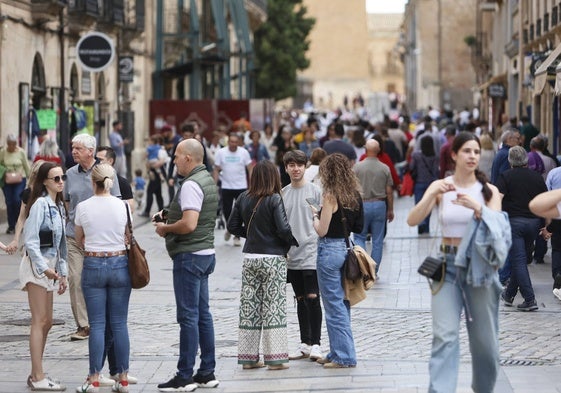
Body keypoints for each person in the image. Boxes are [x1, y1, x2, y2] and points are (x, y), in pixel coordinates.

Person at [407, 131, 510, 393]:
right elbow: (412, 219)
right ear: (453, 155)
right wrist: (431, 194)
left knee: (485, 344)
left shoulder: (489, 191)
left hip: (480, 267)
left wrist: (479, 208)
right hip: (446, 266)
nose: (473, 156)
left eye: (476, 151)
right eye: (467, 151)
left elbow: (499, 230)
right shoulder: (441, 185)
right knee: (445, 336)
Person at [154, 139, 220, 391]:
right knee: (203, 314)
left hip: (190, 255)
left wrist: (165, 228)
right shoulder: (206, 179)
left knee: (189, 317)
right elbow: (197, 216)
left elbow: (190, 223)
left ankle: (184, 375)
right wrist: (169, 215)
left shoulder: (191, 184)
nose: (174, 161)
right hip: (205, 253)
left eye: (177, 156)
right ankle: (207, 371)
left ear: (189, 159)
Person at [227, 160, 298, 371]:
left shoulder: (242, 197)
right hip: (273, 258)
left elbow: (232, 225)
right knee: (273, 307)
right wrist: (289, 242)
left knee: (250, 308)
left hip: (250, 259)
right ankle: (275, 359)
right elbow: (283, 229)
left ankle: (248, 359)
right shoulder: (275, 198)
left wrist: (249, 236)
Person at [74, 163, 131, 393]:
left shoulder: (83, 207)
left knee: (97, 324)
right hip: (119, 263)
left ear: (92, 181)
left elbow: (79, 239)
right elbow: (128, 235)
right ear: (112, 181)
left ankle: (94, 378)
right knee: (119, 324)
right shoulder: (123, 206)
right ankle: (123, 379)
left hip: (94, 262)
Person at [64, 134, 121, 341]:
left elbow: (117, 203)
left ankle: (100, 321)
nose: (74, 151)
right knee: (76, 279)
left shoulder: (105, 172)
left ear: (90, 151)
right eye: (73, 148)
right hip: (73, 237)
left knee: (97, 280)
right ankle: (84, 325)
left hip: (99, 238)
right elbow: (67, 203)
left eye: (78, 148)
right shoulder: (69, 174)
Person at [19, 161, 68, 391]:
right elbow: (30, 241)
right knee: (39, 320)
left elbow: (62, 245)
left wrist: (63, 273)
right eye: (56, 178)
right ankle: (37, 376)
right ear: (45, 181)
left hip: (51, 267)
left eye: (62, 178)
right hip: (37, 267)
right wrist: (44, 268)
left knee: (47, 321)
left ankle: (36, 373)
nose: (60, 182)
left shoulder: (57, 206)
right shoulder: (39, 204)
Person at [312, 153, 363, 368]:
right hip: (346, 247)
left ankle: (344, 356)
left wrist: (314, 215)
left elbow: (322, 230)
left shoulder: (330, 195)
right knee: (342, 302)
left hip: (329, 250)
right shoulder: (354, 195)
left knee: (333, 305)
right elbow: (360, 227)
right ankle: (336, 351)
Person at [281, 150, 324, 362]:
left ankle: (317, 343)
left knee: (313, 298)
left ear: (305, 166)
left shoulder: (316, 191)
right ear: (286, 168)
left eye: (299, 164)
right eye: (291, 165)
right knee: (299, 299)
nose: (296, 168)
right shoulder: (283, 193)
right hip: (292, 254)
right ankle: (305, 343)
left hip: (311, 251)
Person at [496, 146, 547, 311]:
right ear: (526, 160)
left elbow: (498, 199)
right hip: (533, 223)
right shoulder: (537, 177)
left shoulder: (506, 176)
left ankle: (530, 299)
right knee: (522, 259)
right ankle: (509, 295)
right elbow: (546, 202)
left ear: (510, 161)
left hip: (514, 224)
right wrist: (547, 226)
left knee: (518, 260)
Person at [353, 139, 393, 272]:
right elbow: (389, 191)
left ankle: (363, 267)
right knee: (377, 239)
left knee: (359, 236)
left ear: (365, 149)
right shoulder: (384, 168)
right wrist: (390, 209)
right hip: (380, 204)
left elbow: (352, 188)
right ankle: (374, 270)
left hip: (362, 204)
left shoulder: (357, 167)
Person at [213, 133, 252, 246]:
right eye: (231, 142)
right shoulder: (221, 152)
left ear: (238, 142)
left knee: (240, 212)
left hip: (241, 186)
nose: (233, 144)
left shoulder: (243, 152)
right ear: (228, 142)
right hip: (226, 186)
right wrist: (214, 184)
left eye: (236, 142)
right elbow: (216, 169)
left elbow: (250, 168)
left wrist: (252, 183)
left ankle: (237, 236)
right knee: (227, 211)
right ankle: (230, 228)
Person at [0, 133, 31, 234]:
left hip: (20, 179)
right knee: (9, 202)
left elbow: (26, 165)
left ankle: (19, 223)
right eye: (10, 144)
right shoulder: (3, 152)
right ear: (7, 143)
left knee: (17, 200)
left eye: (14, 144)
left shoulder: (21, 152)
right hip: (7, 180)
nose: (12, 146)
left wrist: (30, 179)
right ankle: (11, 226)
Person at [410, 136, 439, 234]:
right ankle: (426, 227)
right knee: (428, 205)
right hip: (430, 184)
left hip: (419, 183)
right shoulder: (434, 156)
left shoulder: (416, 155)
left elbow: (411, 167)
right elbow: (435, 171)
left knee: (419, 204)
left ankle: (420, 223)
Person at [97, 146, 134, 212]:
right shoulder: (93, 180)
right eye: (96, 159)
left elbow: (130, 209)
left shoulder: (123, 182)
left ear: (110, 161)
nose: (97, 162)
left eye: (100, 160)